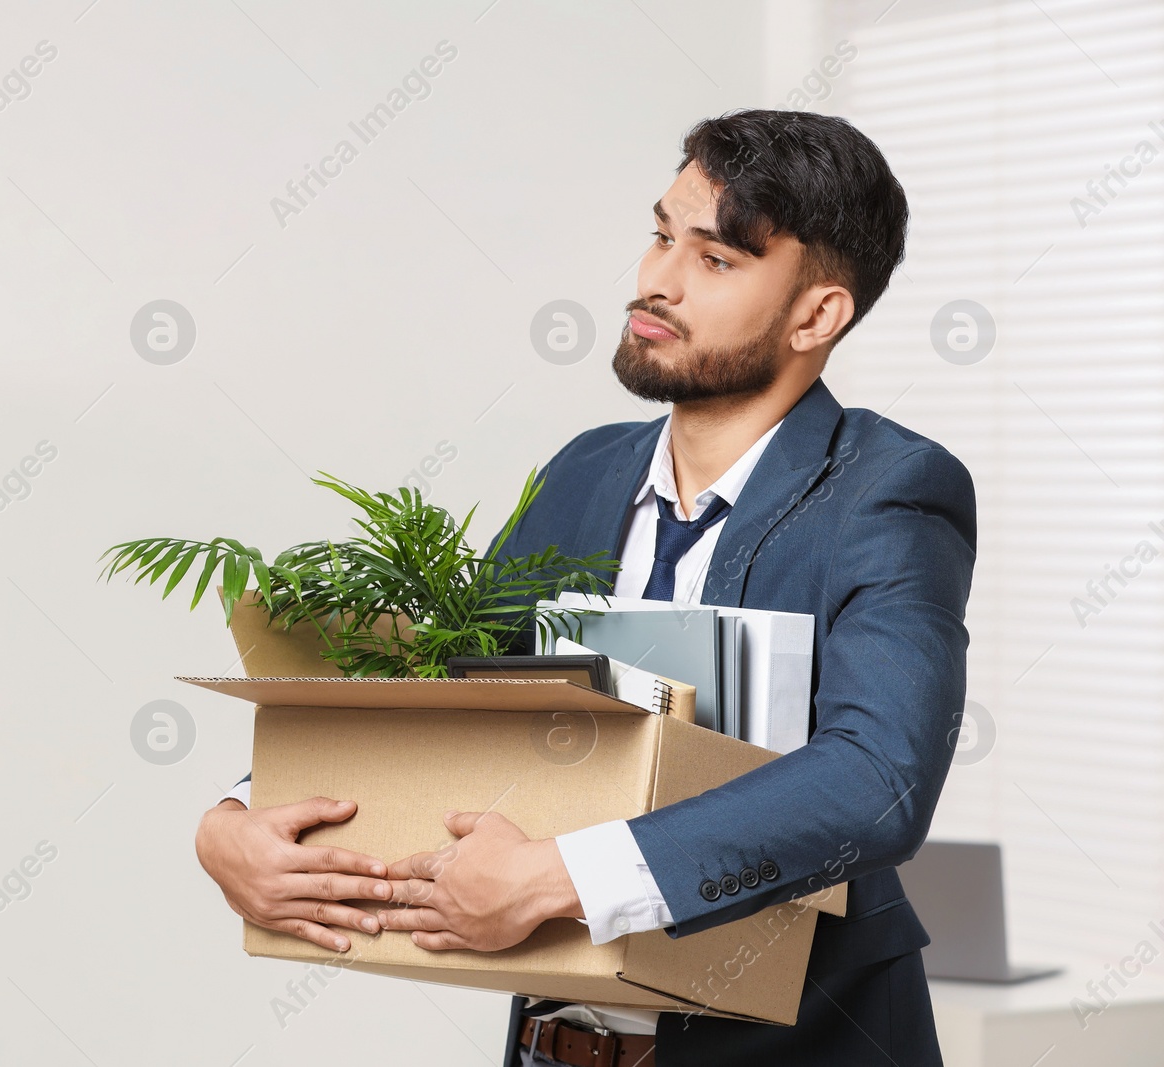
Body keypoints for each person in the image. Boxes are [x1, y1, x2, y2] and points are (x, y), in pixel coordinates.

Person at [196, 109, 975, 1066]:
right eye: (660, 235)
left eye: (717, 260)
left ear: (817, 314)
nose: (655, 280)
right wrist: (237, 819)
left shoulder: (886, 490)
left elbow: (878, 777)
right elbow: (450, 692)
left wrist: (557, 875)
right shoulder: (583, 474)